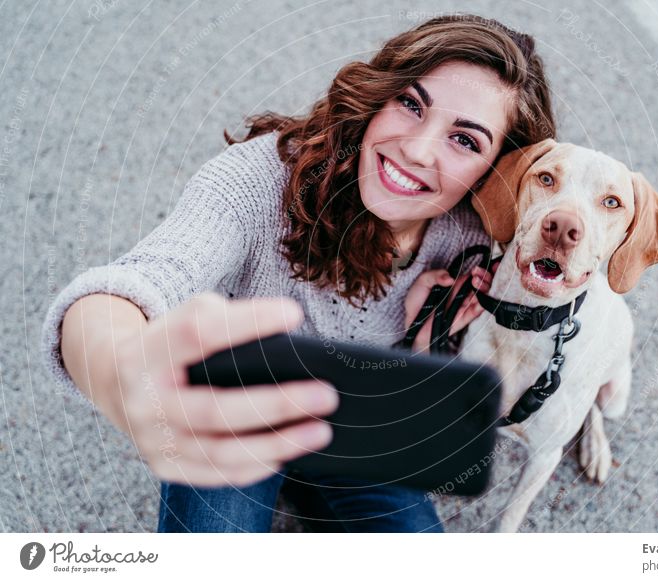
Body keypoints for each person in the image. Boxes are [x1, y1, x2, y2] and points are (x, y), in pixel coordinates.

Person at [40, 14, 556, 533]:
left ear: (496, 174)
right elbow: (132, 286)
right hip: (240, 414)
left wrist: (424, 344)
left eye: (464, 141)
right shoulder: (255, 183)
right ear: (379, 96)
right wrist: (120, 372)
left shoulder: (471, 232)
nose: (417, 149)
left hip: (361, 422)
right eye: (411, 104)